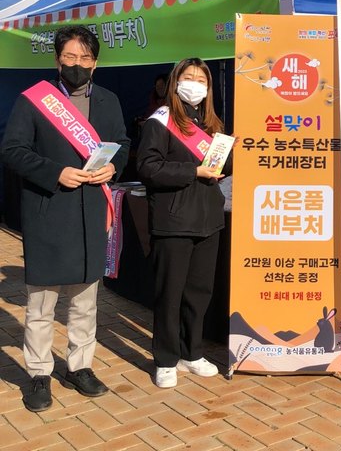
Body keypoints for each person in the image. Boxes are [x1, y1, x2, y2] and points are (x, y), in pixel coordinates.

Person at [0, 25, 130, 412]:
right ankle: (39, 374)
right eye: (70, 57)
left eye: (85, 58)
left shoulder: (108, 100)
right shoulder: (34, 101)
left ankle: (79, 366)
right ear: (58, 59)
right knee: (41, 304)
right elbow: (12, 149)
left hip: (91, 212)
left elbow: (121, 143)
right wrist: (54, 172)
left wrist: (114, 168)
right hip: (48, 210)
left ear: (96, 62)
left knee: (85, 302)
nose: (77, 65)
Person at [136, 57, 229, 388]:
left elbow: (219, 168)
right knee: (169, 294)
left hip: (208, 221)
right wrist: (193, 171)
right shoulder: (159, 122)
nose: (195, 84)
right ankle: (165, 358)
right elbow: (147, 167)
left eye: (202, 80)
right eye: (189, 77)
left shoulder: (210, 123)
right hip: (173, 221)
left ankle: (192, 352)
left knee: (198, 293)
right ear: (176, 82)